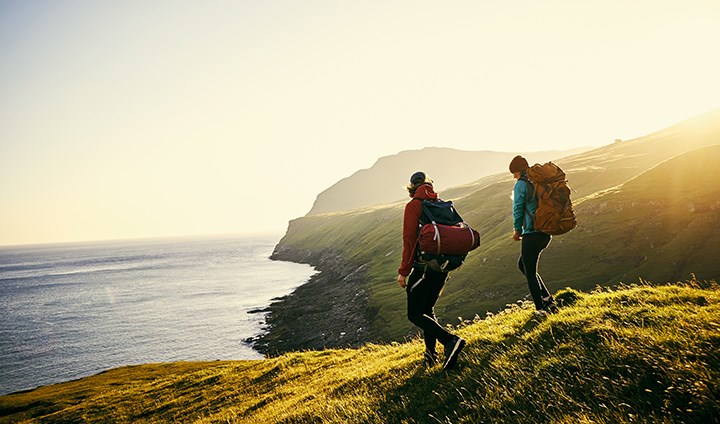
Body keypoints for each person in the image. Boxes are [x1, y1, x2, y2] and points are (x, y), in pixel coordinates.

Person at [397, 171, 466, 369]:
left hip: (423, 268)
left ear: (411, 188)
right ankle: (430, 356)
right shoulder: (440, 203)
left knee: (414, 314)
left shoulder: (413, 206)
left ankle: (450, 340)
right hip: (442, 266)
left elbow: (409, 241)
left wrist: (404, 271)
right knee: (427, 309)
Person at [509, 156, 558, 315]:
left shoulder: (521, 185)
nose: (514, 176)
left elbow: (517, 209)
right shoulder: (537, 182)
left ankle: (541, 309)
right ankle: (547, 299)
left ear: (517, 171)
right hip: (545, 232)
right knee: (523, 265)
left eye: (514, 173)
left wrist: (517, 230)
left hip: (532, 234)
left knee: (529, 272)